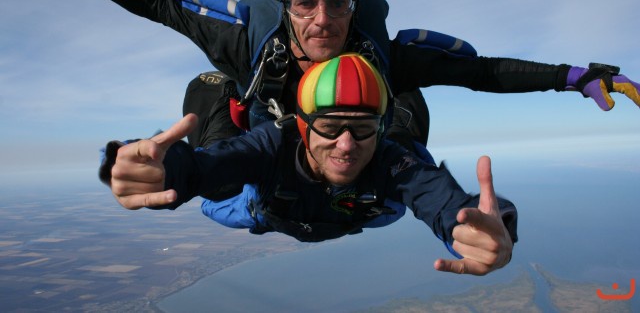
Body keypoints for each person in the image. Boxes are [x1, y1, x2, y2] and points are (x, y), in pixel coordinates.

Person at [2, 0, 639, 224]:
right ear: (286, 4)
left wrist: (574, 76)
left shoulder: (379, 54)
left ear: (353, 5)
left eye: (337, 3)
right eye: (306, 3)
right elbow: (156, 4)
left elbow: (481, 73)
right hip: (260, 178)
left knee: (399, 97)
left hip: (365, 182)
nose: (323, 20)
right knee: (212, 92)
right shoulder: (251, 46)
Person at [101, 53, 517, 276]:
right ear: (303, 126)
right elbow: (204, 167)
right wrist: (152, 170)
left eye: (363, 129)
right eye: (330, 128)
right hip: (264, 211)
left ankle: (391, 120)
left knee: (405, 166)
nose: (346, 145)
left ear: (378, 129)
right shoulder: (271, 145)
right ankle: (224, 95)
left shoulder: (390, 159)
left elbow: (439, 198)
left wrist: (478, 230)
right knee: (216, 197)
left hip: (359, 212)